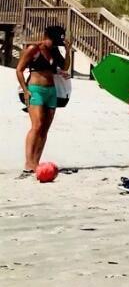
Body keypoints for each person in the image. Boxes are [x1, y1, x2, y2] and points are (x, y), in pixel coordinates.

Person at [18, 23, 71, 176]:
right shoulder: (33, 49)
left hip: (51, 91)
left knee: (45, 128)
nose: (55, 45)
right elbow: (19, 70)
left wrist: (67, 50)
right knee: (37, 125)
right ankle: (29, 163)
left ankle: (36, 161)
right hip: (35, 90)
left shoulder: (54, 51)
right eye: (54, 41)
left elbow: (65, 67)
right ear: (47, 37)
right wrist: (26, 91)